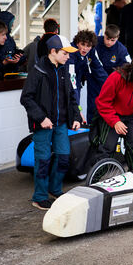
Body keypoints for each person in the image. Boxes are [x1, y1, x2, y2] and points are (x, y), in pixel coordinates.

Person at [20, 35, 82, 210]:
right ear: (53, 52)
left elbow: (71, 97)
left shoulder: (64, 70)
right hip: (43, 125)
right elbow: (26, 98)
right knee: (43, 160)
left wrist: (76, 116)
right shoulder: (37, 71)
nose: (68, 57)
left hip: (61, 123)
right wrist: (41, 118)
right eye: (65, 53)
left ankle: (55, 189)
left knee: (63, 157)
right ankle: (39, 197)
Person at [69, 30, 107, 123]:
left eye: (88, 46)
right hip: (66, 81)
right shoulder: (70, 52)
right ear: (77, 43)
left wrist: (111, 85)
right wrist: (78, 109)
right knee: (72, 105)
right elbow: (72, 79)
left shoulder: (92, 51)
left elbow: (99, 69)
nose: (85, 49)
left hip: (78, 79)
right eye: (83, 44)